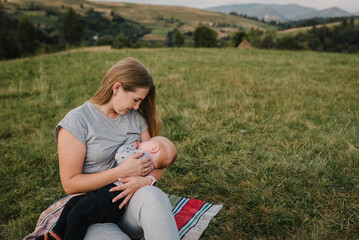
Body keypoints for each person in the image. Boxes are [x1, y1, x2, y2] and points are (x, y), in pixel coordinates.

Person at [52, 57, 180, 240]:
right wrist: (121, 171)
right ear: (117, 87)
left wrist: (148, 181)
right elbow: (70, 184)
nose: (137, 107)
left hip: (130, 207)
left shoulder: (136, 118)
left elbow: (158, 164)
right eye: (135, 100)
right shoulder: (78, 121)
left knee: (154, 196)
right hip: (93, 213)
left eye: (140, 102)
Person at [35, 136, 177, 240]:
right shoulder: (149, 163)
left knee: (78, 213)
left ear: (154, 148)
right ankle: (55, 235)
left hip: (110, 199)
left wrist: (132, 145)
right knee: (73, 203)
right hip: (107, 197)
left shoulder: (142, 156)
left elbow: (121, 156)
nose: (142, 142)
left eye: (146, 142)